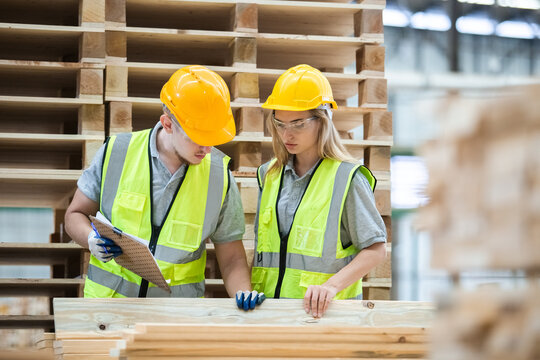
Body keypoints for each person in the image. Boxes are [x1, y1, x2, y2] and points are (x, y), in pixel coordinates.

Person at [65, 65, 263, 309]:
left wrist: (243, 295)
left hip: (176, 317)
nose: (206, 149)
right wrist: (91, 239)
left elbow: (231, 257)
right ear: (168, 124)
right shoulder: (117, 153)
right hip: (109, 312)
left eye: (211, 138)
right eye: (196, 137)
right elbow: (74, 214)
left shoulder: (219, 176)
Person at [251, 64, 387, 317]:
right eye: (279, 124)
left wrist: (330, 287)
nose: (287, 134)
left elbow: (376, 249)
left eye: (298, 124)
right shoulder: (268, 175)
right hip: (269, 314)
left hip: (324, 316)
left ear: (323, 120)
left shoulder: (347, 177)